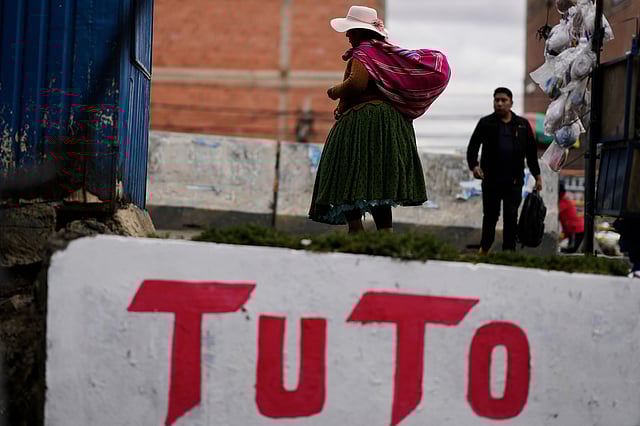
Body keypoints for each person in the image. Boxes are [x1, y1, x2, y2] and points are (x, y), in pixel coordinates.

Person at [308, 5, 450, 232]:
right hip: (386, 125)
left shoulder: (363, 54)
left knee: (349, 175)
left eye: (351, 30)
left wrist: (334, 91)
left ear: (361, 32)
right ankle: (386, 233)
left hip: (364, 124)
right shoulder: (383, 54)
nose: (347, 35)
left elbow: (356, 84)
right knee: (378, 180)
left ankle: (356, 232)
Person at [466, 87, 542, 254]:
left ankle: (509, 254)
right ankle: (484, 250)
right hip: (491, 181)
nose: (499, 104)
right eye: (496, 100)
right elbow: (473, 147)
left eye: (503, 100)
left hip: (514, 182)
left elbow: (531, 153)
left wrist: (537, 176)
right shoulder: (486, 123)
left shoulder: (522, 125)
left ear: (511, 103)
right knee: (490, 217)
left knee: (511, 217)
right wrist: (474, 165)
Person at [558, 182, 584, 253]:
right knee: (571, 250)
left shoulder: (563, 202)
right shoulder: (564, 201)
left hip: (576, 230)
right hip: (575, 230)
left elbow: (554, 213)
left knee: (571, 251)